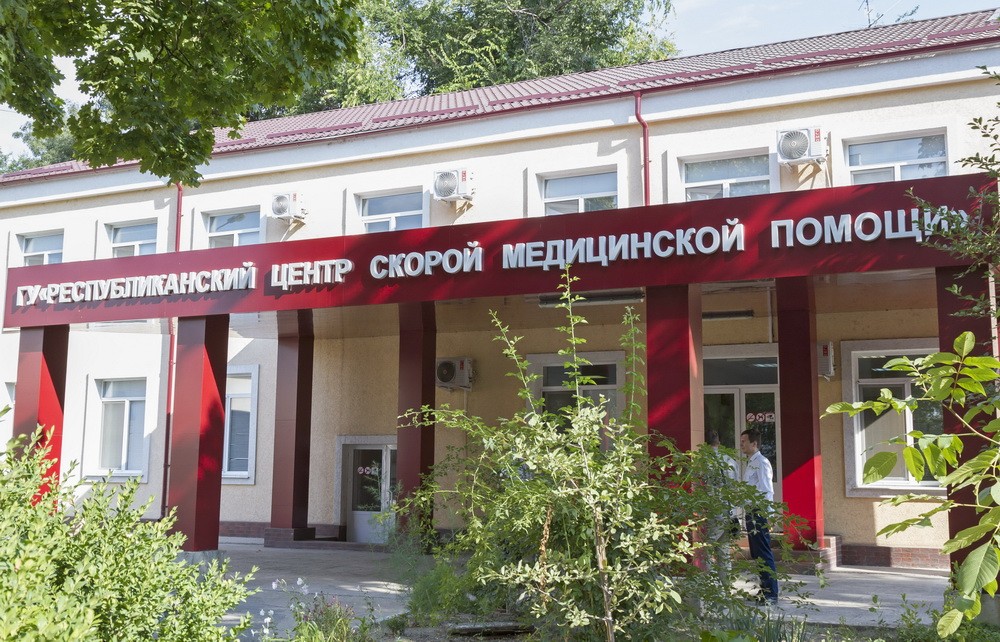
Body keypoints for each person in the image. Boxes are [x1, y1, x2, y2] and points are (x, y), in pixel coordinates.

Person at [740, 427, 778, 603]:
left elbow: (766, 490)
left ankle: (771, 594)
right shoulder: (751, 462)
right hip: (751, 511)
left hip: (759, 512)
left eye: (744, 442)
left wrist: (768, 515)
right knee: (757, 553)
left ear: (754, 443)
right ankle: (764, 590)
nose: (741, 445)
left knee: (763, 552)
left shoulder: (762, 462)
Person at [704, 430, 740, 587]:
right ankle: (726, 587)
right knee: (724, 551)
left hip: (714, 510)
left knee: (705, 549)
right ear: (719, 442)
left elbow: (702, 487)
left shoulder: (704, 461)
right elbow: (736, 486)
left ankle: (706, 586)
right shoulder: (730, 460)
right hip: (729, 510)